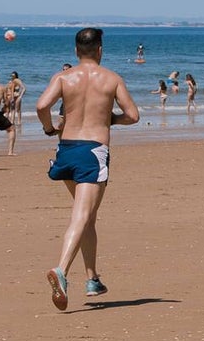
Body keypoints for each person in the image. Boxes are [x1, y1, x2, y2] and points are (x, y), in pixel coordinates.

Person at [36, 27, 140, 311]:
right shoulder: (111, 79)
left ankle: (92, 278)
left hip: (67, 148)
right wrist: (109, 120)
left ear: (75, 51)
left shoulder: (63, 77)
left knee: (88, 217)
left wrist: (49, 128)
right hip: (93, 151)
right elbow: (133, 115)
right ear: (100, 50)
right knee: (81, 215)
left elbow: (42, 105)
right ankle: (61, 270)